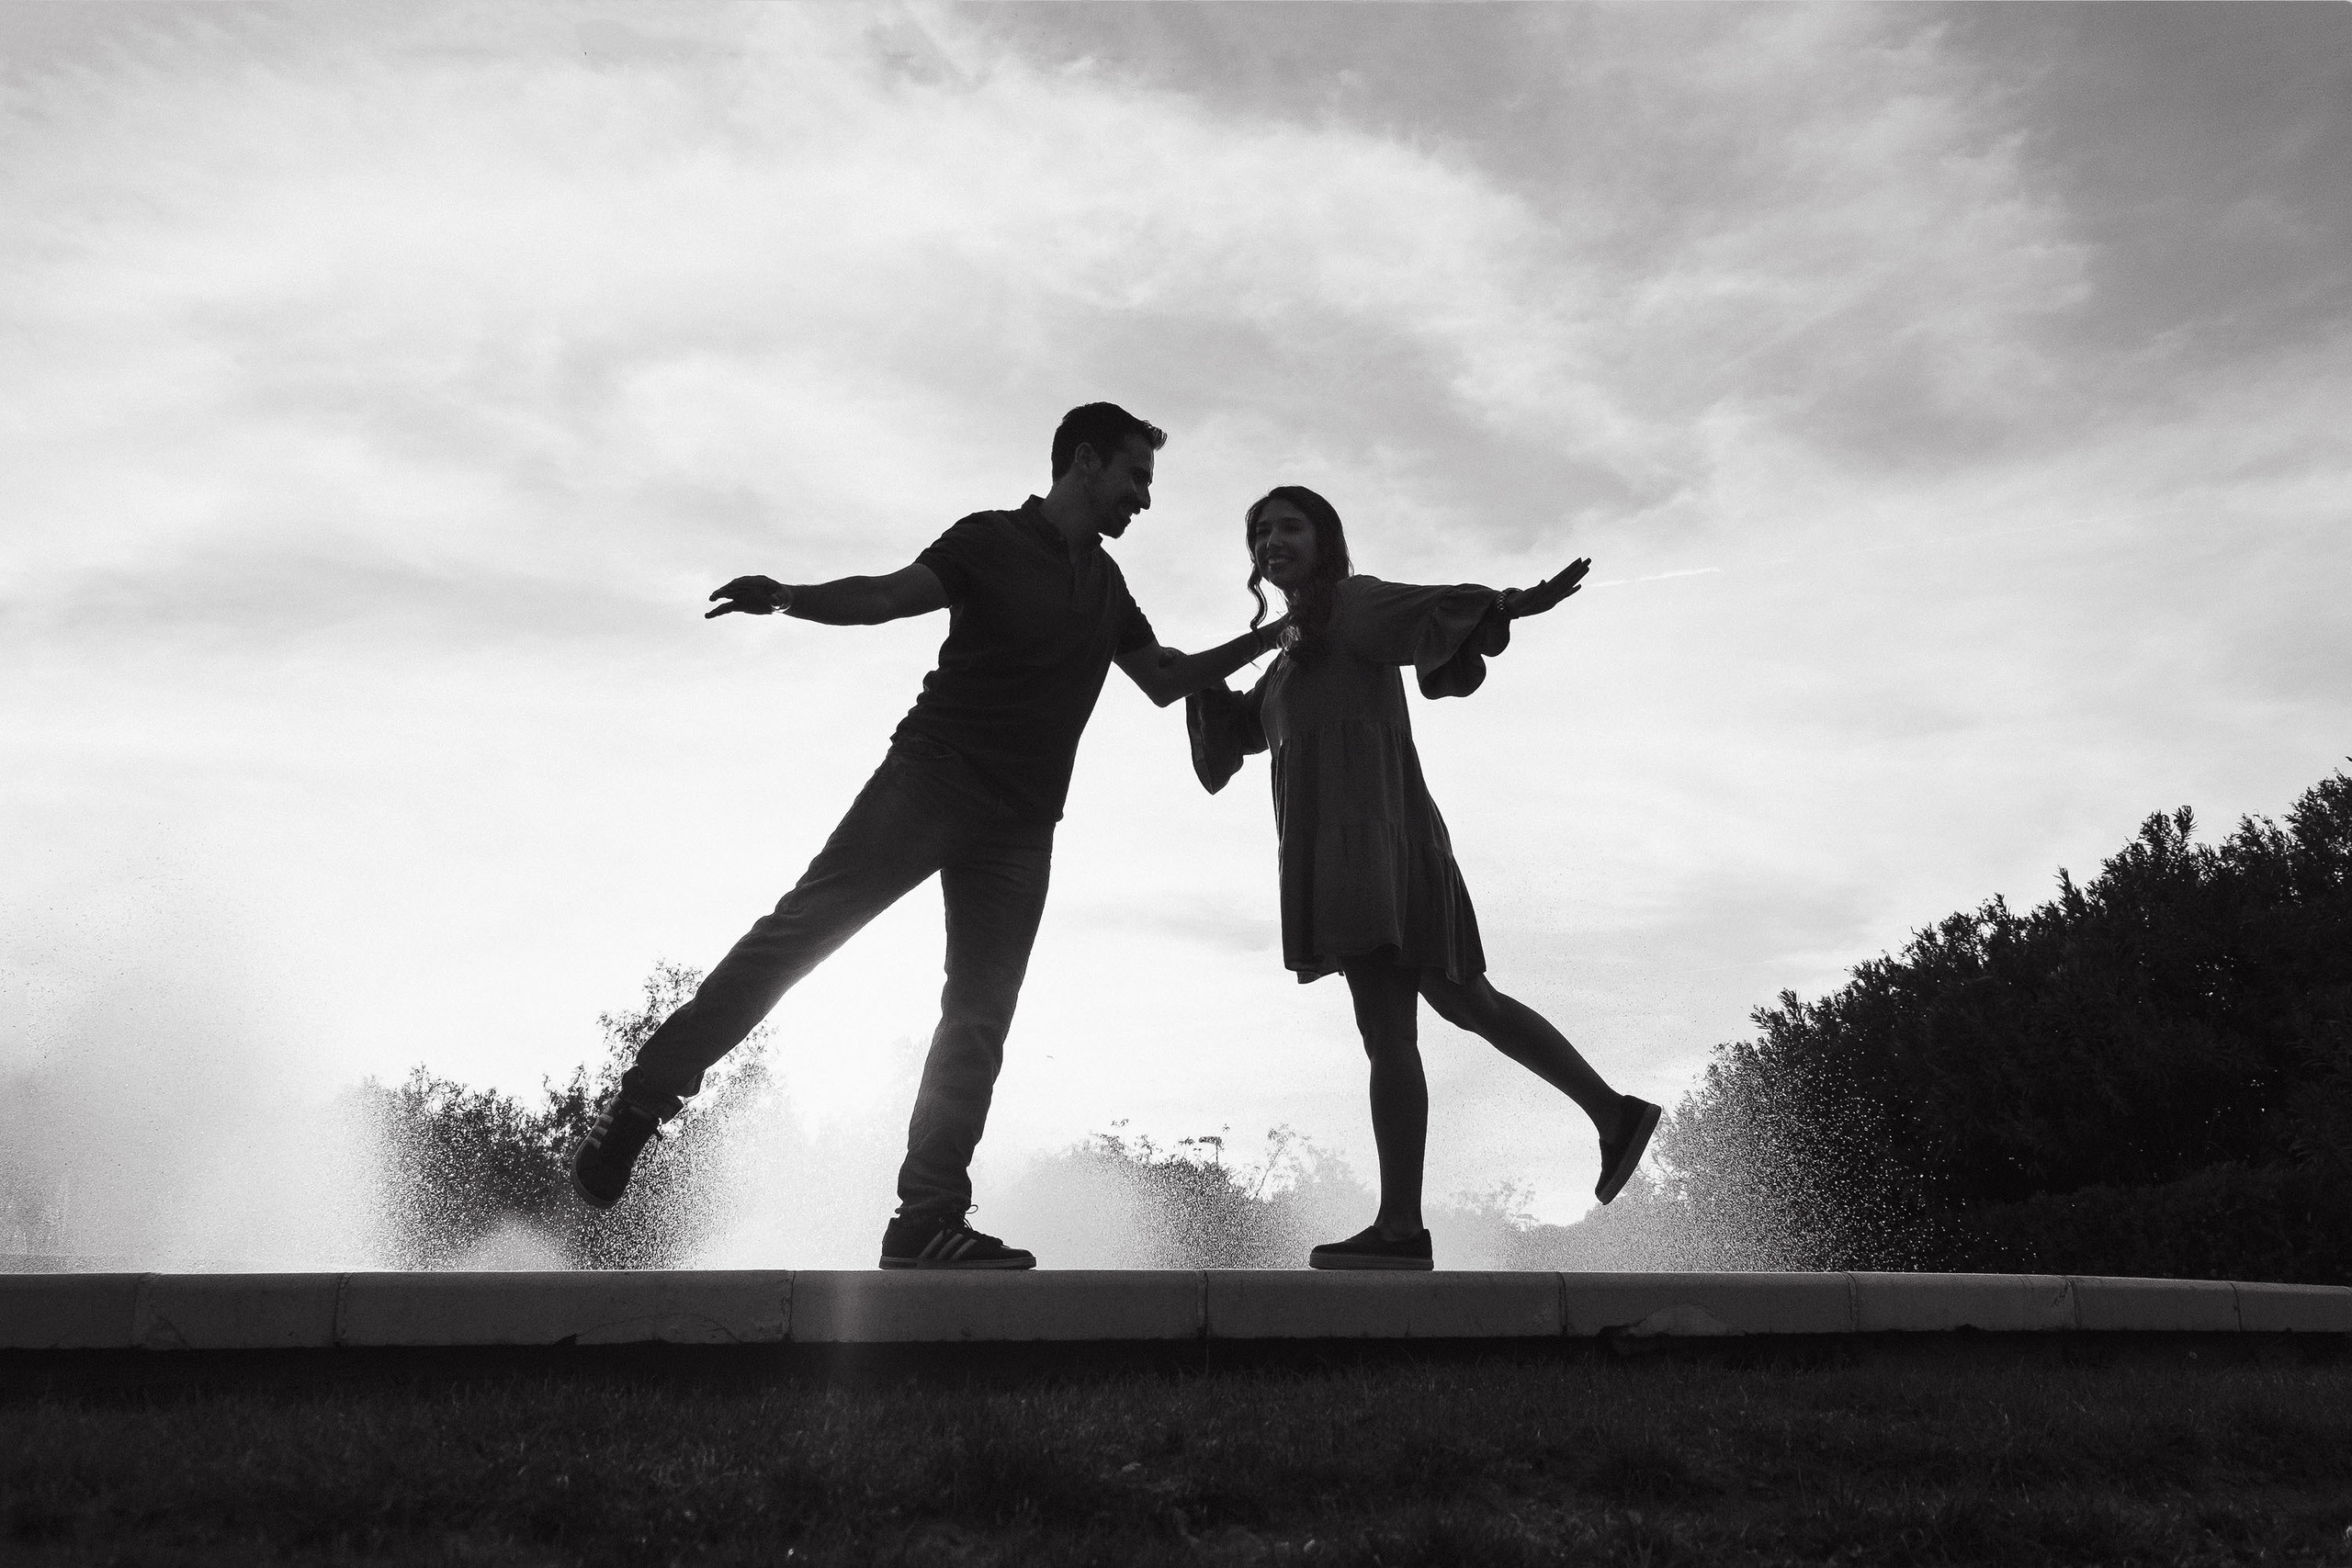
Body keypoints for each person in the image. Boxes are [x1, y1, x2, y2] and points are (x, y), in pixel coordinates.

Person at [570, 403, 1283, 1269]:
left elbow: (1165, 679)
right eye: (1135, 476)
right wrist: (792, 597)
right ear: (1085, 461)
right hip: (932, 781)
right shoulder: (990, 540)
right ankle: (640, 1104)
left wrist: (1277, 636)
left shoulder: (1107, 588)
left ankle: (926, 1218)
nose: (1142, 498)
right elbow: (886, 596)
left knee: (978, 1019)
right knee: (798, 938)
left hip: (1020, 827)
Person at [1187, 485, 1660, 1270]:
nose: (1273, 539)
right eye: (1261, 531)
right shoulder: (1287, 659)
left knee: (1390, 1029)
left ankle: (1402, 1229)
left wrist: (1510, 603)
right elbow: (1223, 744)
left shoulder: (1351, 606)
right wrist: (1187, 674)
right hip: (1372, 849)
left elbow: (1434, 609)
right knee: (1465, 999)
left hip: (1375, 848)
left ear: (1327, 540)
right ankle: (1613, 1113)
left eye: (1291, 525)